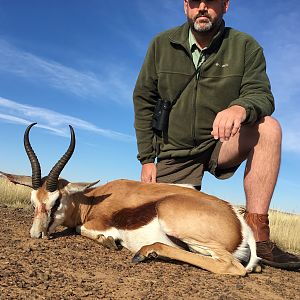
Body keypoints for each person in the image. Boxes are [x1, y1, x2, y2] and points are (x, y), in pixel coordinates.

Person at [133, 0, 300, 270]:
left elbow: (262, 95)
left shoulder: (245, 45)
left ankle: (259, 234)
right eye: (195, 1)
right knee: (161, 226)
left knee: (269, 127)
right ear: (185, 5)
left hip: (220, 143)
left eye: (210, 1)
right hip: (174, 153)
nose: (202, 7)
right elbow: (143, 101)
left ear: (225, 5)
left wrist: (239, 108)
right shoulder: (161, 44)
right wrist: (146, 159)